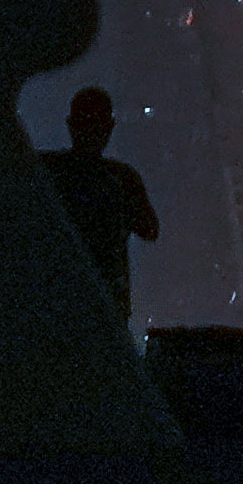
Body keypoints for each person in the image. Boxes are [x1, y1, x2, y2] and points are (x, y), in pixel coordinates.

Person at [39, 83, 161, 338]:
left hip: (59, 298)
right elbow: (149, 230)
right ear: (110, 128)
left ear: (70, 124)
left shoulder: (48, 171)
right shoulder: (121, 178)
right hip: (106, 300)